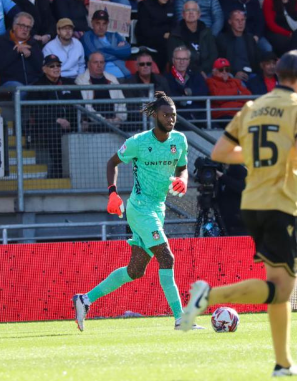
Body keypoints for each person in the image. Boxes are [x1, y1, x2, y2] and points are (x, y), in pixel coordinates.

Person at [179, 50, 297, 379]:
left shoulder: (252, 107)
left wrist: (262, 152)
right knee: (282, 290)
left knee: (275, 285)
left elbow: (220, 152)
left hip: (251, 203)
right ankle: (208, 297)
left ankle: (283, 364)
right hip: (281, 203)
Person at [73, 91, 204, 331]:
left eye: (173, 115)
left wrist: (183, 180)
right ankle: (180, 319)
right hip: (140, 207)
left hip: (158, 208)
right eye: (166, 115)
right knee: (167, 257)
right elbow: (112, 162)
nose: (171, 119)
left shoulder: (179, 141)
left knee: (135, 270)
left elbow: (183, 168)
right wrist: (113, 193)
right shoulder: (139, 142)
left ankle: (84, 299)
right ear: (155, 115)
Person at [27, 54, 81, 178]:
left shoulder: (70, 84)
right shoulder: (37, 86)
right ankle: (57, 167)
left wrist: (82, 120)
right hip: (47, 125)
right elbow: (36, 112)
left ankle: (80, 170)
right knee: (54, 129)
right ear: (44, 69)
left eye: (58, 65)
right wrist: (57, 120)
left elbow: (80, 104)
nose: (56, 68)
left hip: (71, 123)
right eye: (52, 66)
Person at [75, 52, 128, 129]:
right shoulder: (81, 80)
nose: (99, 65)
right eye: (95, 62)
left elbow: (121, 102)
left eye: (101, 62)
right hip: (94, 123)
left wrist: (119, 118)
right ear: (89, 64)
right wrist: (104, 121)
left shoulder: (112, 78)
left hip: (115, 122)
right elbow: (87, 107)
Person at [167, 1, 219, 77]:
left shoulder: (207, 32)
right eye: (188, 10)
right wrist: (198, 71)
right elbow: (173, 60)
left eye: (194, 10)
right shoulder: (175, 35)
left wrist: (202, 70)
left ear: (199, 15)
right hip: (185, 73)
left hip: (207, 72)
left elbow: (213, 55)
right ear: (183, 15)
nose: (191, 13)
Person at [0, 12, 44, 89]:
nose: (25, 29)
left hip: (33, 81)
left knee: (45, 88)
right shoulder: (1, 41)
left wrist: (31, 54)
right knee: (20, 90)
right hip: (10, 82)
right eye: (22, 26)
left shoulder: (33, 43)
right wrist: (16, 51)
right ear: (14, 26)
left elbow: (40, 67)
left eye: (28, 27)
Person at [165, 46, 210, 125]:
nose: (181, 62)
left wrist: (189, 92)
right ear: (173, 60)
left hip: (198, 117)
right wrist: (186, 99)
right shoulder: (166, 78)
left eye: (185, 59)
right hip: (177, 120)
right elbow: (168, 96)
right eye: (178, 59)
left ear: (189, 61)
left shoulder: (197, 76)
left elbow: (204, 92)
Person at [81, 10, 132, 79]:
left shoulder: (115, 35)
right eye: (98, 23)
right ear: (92, 23)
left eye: (104, 23)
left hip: (123, 76)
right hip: (102, 79)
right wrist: (117, 51)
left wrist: (105, 49)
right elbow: (94, 56)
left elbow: (127, 51)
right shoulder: (87, 37)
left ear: (107, 24)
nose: (101, 27)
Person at [216, 10, 260, 82]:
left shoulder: (250, 39)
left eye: (243, 20)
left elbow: (257, 59)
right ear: (230, 21)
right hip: (231, 75)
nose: (240, 23)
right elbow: (221, 61)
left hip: (251, 74)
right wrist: (234, 73)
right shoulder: (222, 39)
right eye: (237, 20)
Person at [206, 57, 252, 122]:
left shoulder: (236, 81)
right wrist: (237, 93)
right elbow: (218, 98)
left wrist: (229, 97)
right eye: (221, 70)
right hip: (223, 115)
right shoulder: (210, 81)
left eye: (227, 70)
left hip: (240, 113)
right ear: (214, 71)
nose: (224, 72)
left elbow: (248, 96)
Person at [136, 0, 177, 71]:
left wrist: (169, 34)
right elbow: (145, 30)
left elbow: (175, 26)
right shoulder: (144, 6)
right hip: (149, 40)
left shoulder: (171, 6)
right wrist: (163, 34)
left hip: (168, 39)